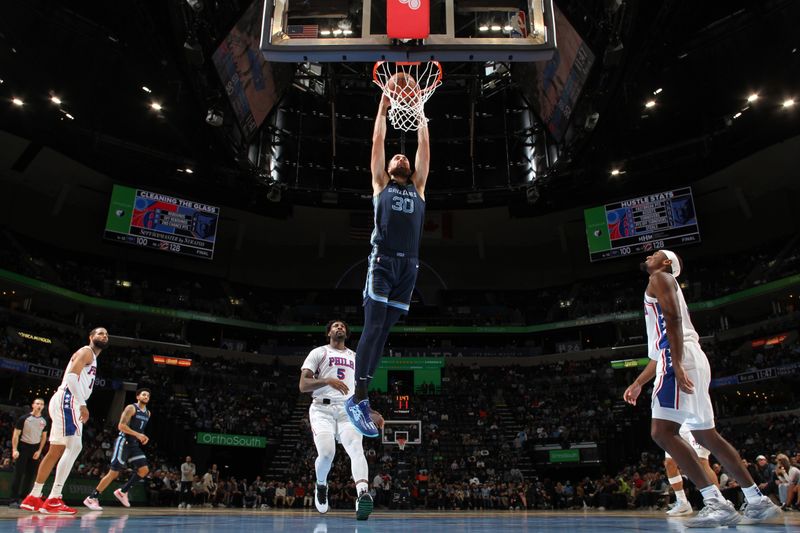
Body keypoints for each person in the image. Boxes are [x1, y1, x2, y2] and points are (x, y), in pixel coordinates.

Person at [623, 251, 781, 527]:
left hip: (678, 356)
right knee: (707, 435)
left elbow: (672, 318)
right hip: (684, 355)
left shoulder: (659, 277)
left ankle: (715, 503)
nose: (649, 255)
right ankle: (757, 501)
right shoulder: (663, 281)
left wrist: (677, 362)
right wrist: (638, 383)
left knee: (662, 432)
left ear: (667, 263)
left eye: (656, 253)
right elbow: (657, 350)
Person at [345, 91, 429, 439]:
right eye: (396, 155)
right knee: (373, 326)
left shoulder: (419, 186)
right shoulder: (380, 184)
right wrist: (382, 105)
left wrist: (421, 112)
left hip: (409, 267)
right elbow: (379, 138)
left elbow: (424, 147)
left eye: (404, 156)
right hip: (381, 263)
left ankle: (363, 395)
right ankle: (359, 396)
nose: (401, 155)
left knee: (384, 332)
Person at [300, 320, 385, 520]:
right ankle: (321, 485)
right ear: (329, 332)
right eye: (336, 326)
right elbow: (303, 385)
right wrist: (326, 380)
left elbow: (360, 390)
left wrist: (370, 411)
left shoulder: (356, 357)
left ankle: (362, 493)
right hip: (322, 408)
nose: (340, 328)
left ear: (346, 333)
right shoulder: (319, 352)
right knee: (327, 453)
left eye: (343, 326)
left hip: (349, 409)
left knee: (356, 448)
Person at [20, 327, 108, 515]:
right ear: (91, 337)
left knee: (55, 450)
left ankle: (34, 496)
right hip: (69, 400)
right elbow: (70, 377)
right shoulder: (86, 351)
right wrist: (82, 404)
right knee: (74, 446)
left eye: (106, 335)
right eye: (100, 333)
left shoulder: (93, 358)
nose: (104, 336)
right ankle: (54, 498)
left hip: (65, 400)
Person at [83, 388, 152, 510]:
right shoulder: (131, 408)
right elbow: (121, 426)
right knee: (114, 473)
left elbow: (139, 429)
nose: (146, 396)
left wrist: (142, 436)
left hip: (134, 444)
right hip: (123, 441)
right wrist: (137, 435)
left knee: (144, 470)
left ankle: (122, 491)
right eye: (144, 394)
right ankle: (92, 498)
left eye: (148, 395)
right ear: (138, 397)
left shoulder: (148, 413)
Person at [663, 424, 718, 516]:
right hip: (675, 424)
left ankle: (717, 504)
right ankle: (682, 503)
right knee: (669, 463)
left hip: (693, 422)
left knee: (702, 462)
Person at [9, 399, 48, 508]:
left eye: (41, 404)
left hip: (35, 449)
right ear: (33, 405)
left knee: (30, 476)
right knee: (18, 474)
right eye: (37, 403)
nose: (39, 405)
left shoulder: (44, 421)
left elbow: (44, 437)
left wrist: (39, 451)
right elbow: (16, 434)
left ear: (43, 406)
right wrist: (14, 449)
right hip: (23, 447)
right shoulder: (24, 418)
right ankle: (13, 500)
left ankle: (25, 499)